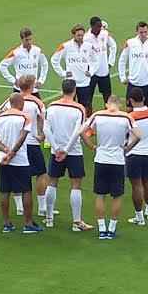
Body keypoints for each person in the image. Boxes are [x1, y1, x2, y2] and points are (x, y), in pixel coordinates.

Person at [70, 95, 141, 240]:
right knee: (116, 196)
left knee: (100, 195)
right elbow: (139, 135)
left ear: (106, 104)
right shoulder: (126, 117)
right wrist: (127, 148)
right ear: (119, 104)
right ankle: (112, 229)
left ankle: (102, 229)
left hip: (101, 159)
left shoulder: (98, 115)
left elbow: (80, 131)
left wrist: (91, 146)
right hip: (118, 160)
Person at [0, 75, 48, 217]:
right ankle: (42, 207)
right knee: (40, 173)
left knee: (15, 175)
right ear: (31, 86)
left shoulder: (10, 100)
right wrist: (42, 135)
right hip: (31, 142)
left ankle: (19, 207)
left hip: (12, 144)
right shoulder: (37, 102)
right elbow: (43, 119)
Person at [44, 80, 93, 232]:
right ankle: (76, 222)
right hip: (73, 151)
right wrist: (66, 149)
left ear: (62, 90)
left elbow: (46, 129)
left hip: (56, 151)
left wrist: (56, 148)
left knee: (52, 182)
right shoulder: (79, 108)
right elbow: (77, 131)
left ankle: (49, 218)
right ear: (74, 90)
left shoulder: (51, 107)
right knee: (76, 185)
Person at [0, 94, 43, 234]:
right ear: (20, 103)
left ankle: (7, 223)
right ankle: (28, 223)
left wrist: (5, 151)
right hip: (20, 160)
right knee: (26, 190)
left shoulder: (0, 118)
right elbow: (22, 137)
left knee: (4, 191)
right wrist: (12, 152)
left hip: (3, 160)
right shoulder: (25, 117)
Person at [126, 88, 148, 226]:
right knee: (147, 182)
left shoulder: (130, 117)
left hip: (134, 153)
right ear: (143, 98)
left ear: (131, 101)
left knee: (136, 185)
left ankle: (139, 217)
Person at [50, 24, 94, 113]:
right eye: (78, 35)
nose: (81, 37)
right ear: (73, 35)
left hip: (84, 82)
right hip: (71, 82)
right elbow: (54, 59)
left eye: (82, 35)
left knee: (86, 107)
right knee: (69, 107)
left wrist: (91, 71)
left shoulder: (88, 46)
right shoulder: (66, 46)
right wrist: (63, 73)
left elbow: (95, 60)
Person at [117, 21, 148, 108]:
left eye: (145, 32)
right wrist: (123, 77)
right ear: (136, 32)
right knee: (129, 109)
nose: (143, 34)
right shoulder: (130, 43)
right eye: (141, 32)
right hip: (133, 82)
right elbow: (122, 60)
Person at [0, 28, 48, 97]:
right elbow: (2, 65)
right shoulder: (16, 52)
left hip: (33, 89)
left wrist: (41, 80)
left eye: (30, 39)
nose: (29, 42)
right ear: (22, 40)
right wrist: (13, 80)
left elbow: (44, 64)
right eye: (26, 40)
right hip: (19, 90)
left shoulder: (37, 50)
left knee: (39, 107)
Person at [85, 16, 117, 106]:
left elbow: (113, 46)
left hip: (104, 71)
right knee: (88, 97)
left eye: (100, 26)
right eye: (97, 26)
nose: (100, 29)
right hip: (91, 72)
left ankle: (109, 115)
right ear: (92, 26)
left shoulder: (104, 34)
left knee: (107, 97)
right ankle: (88, 115)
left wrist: (111, 62)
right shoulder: (86, 38)